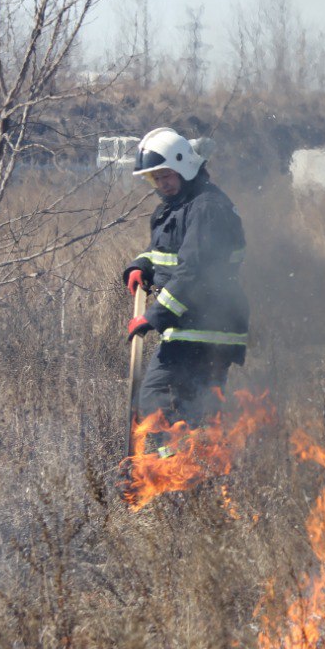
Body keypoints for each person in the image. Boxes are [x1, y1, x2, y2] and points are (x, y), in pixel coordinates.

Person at [124, 127, 249, 428]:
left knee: (158, 401)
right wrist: (141, 265)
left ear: (184, 166)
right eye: (155, 178)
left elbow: (194, 271)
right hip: (192, 324)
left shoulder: (206, 208)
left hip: (207, 327)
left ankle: (164, 467)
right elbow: (165, 251)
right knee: (191, 413)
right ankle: (188, 470)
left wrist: (153, 316)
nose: (162, 183)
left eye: (166, 175)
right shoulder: (179, 207)